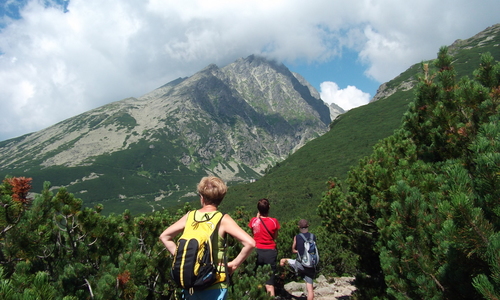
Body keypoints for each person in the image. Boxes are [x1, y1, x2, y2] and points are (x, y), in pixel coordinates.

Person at [159, 176, 255, 300]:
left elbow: (164, 236)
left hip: (190, 280)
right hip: (215, 282)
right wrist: (234, 265)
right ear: (221, 198)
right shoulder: (222, 219)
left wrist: (185, 257)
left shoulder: (190, 216)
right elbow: (250, 243)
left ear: (202, 197)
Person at [248, 198, 280, 296]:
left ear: (258, 209)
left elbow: (252, 233)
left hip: (257, 251)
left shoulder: (253, 221)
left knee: (256, 280)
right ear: (269, 208)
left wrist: (258, 215)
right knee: (270, 284)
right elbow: (275, 236)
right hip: (270, 252)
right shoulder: (274, 221)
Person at [280, 219, 316, 300]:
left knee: (282, 261)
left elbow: (293, 250)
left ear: (299, 227)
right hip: (311, 265)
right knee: (310, 290)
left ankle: (281, 280)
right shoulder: (313, 236)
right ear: (308, 226)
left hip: (300, 264)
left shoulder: (297, 237)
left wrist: (298, 251)